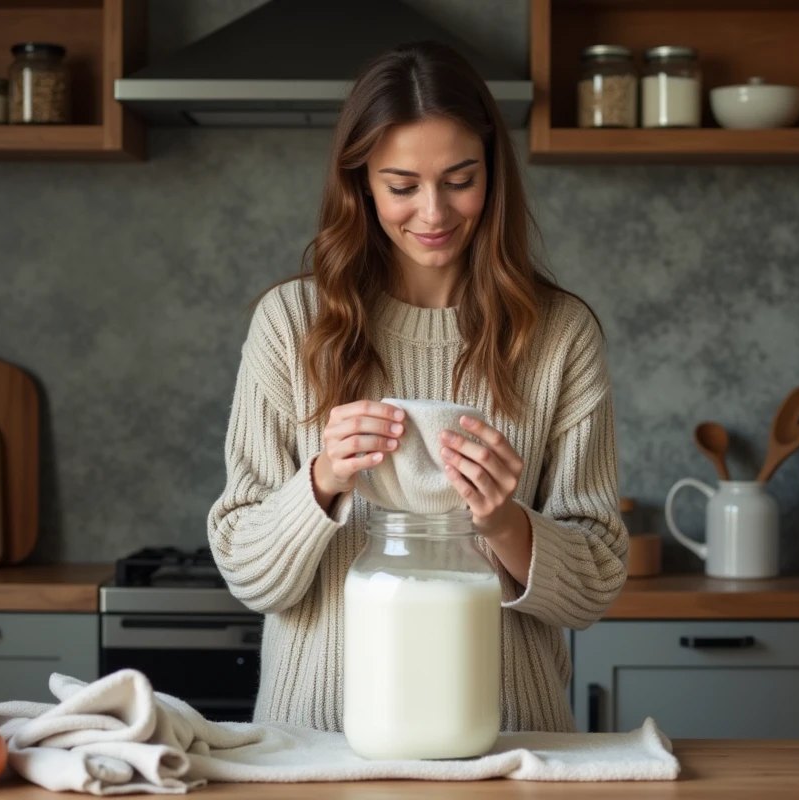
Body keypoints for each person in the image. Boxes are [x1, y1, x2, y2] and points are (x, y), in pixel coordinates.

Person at [208, 40, 628, 734]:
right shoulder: (291, 325)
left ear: (492, 172)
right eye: (402, 185)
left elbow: (594, 585)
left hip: (507, 739)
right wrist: (322, 479)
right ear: (362, 184)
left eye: (459, 179)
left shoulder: (559, 335)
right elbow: (250, 574)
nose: (432, 212)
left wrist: (502, 520)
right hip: (318, 740)